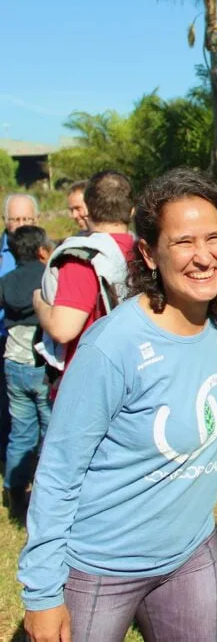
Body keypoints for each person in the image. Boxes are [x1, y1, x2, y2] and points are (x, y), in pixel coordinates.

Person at [19, 167, 217, 642]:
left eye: (214, 238)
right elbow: (58, 471)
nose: (204, 255)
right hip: (100, 564)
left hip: (190, 554)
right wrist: (42, 594)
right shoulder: (113, 345)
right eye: (183, 242)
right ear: (148, 253)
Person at [34, 171, 135, 371]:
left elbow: (63, 329)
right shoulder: (147, 253)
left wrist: (38, 302)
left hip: (89, 375)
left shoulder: (82, 258)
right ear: (132, 211)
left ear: (88, 208)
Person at [0, 225, 52, 520]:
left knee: (20, 432)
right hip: (41, 367)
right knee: (50, 432)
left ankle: (15, 495)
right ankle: (45, 497)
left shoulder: (6, 281)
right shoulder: (47, 277)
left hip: (12, 364)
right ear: (41, 250)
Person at [0, 194, 39, 466]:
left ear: (37, 220)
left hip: (37, 343)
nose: (21, 224)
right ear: (5, 221)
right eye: (15, 219)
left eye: (27, 218)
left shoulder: (48, 254)